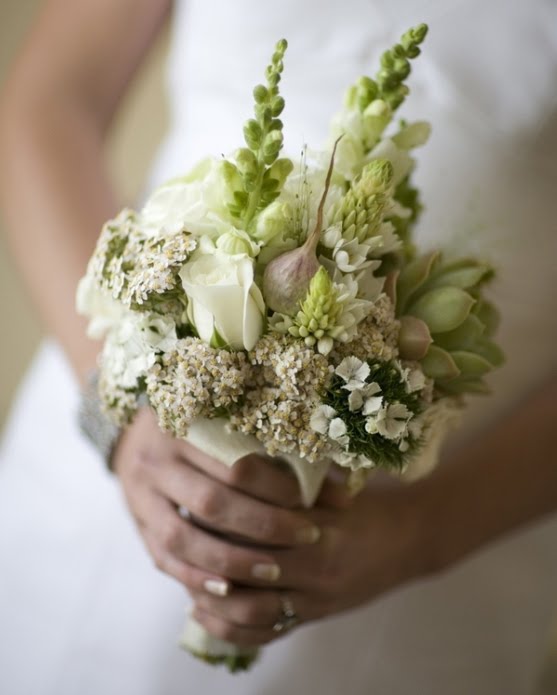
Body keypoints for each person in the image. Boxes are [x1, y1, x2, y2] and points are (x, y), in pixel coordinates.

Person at [0, 0, 556, 693]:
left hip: (435, 545)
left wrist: (419, 532)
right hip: (111, 440)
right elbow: (53, 97)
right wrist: (116, 406)